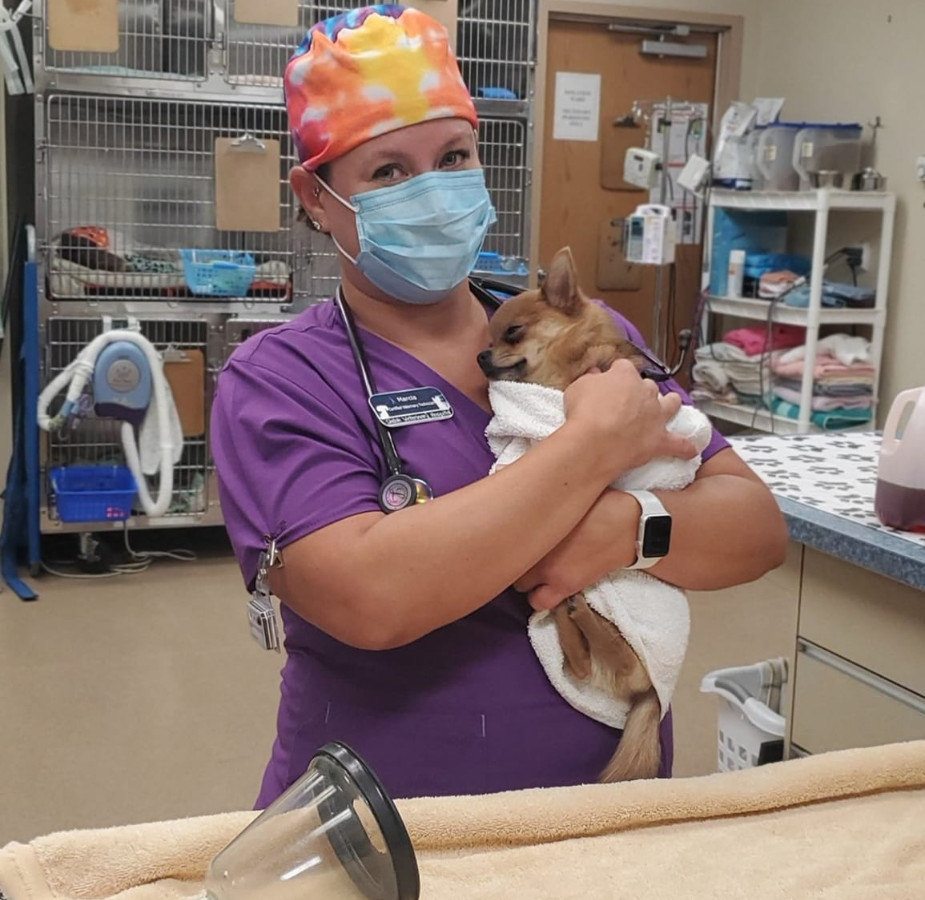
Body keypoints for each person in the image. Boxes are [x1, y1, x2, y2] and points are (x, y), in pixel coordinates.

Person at [210, 4, 788, 806]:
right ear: (314, 197)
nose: (434, 192)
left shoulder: (576, 328)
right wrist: (590, 450)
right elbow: (374, 600)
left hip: (611, 809)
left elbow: (754, 530)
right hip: (388, 830)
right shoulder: (279, 379)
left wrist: (623, 528)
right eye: (387, 172)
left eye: (453, 156)